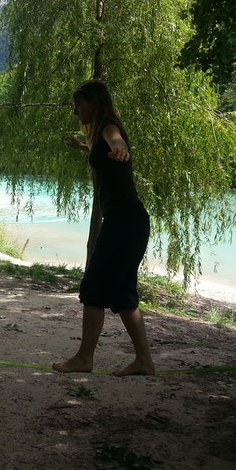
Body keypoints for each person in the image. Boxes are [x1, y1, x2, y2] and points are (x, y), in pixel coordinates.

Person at [53, 79, 155, 377]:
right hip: (125, 221)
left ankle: (87, 359)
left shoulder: (109, 127)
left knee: (98, 287)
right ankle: (142, 361)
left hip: (125, 222)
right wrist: (83, 147)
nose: (75, 111)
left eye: (79, 104)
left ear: (94, 103)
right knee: (115, 291)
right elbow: (103, 153)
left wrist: (121, 147)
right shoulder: (98, 135)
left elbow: (116, 140)